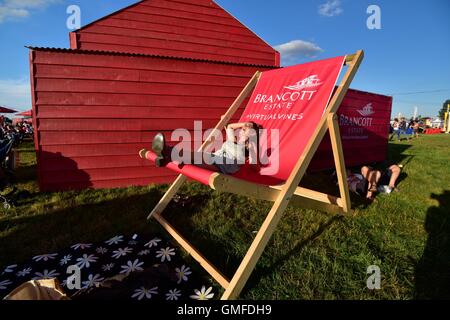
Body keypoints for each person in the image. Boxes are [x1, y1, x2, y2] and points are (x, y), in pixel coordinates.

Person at [147, 121, 261, 175]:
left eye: (245, 130)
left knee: (199, 156)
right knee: (195, 159)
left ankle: (167, 150)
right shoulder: (233, 140)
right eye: (242, 128)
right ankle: (165, 157)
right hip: (217, 158)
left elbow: (255, 168)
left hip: (225, 165)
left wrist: (253, 147)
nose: (242, 130)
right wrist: (244, 124)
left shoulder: (249, 148)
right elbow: (230, 126)